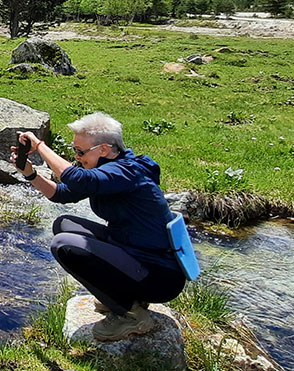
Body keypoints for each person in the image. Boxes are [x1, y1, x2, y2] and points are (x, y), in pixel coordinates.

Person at [10, 112, 186, 341]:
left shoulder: (126, 172)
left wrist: (40, 145)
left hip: (159, 275)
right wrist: (30, 174)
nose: (77, 156)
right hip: (134, 252)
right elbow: (61, 194)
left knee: (64, 246)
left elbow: (78, 179)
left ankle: (132, 315)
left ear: (103, 149)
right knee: (64, 224)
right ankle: (126, 297)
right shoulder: (109, 170)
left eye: (80, 152)